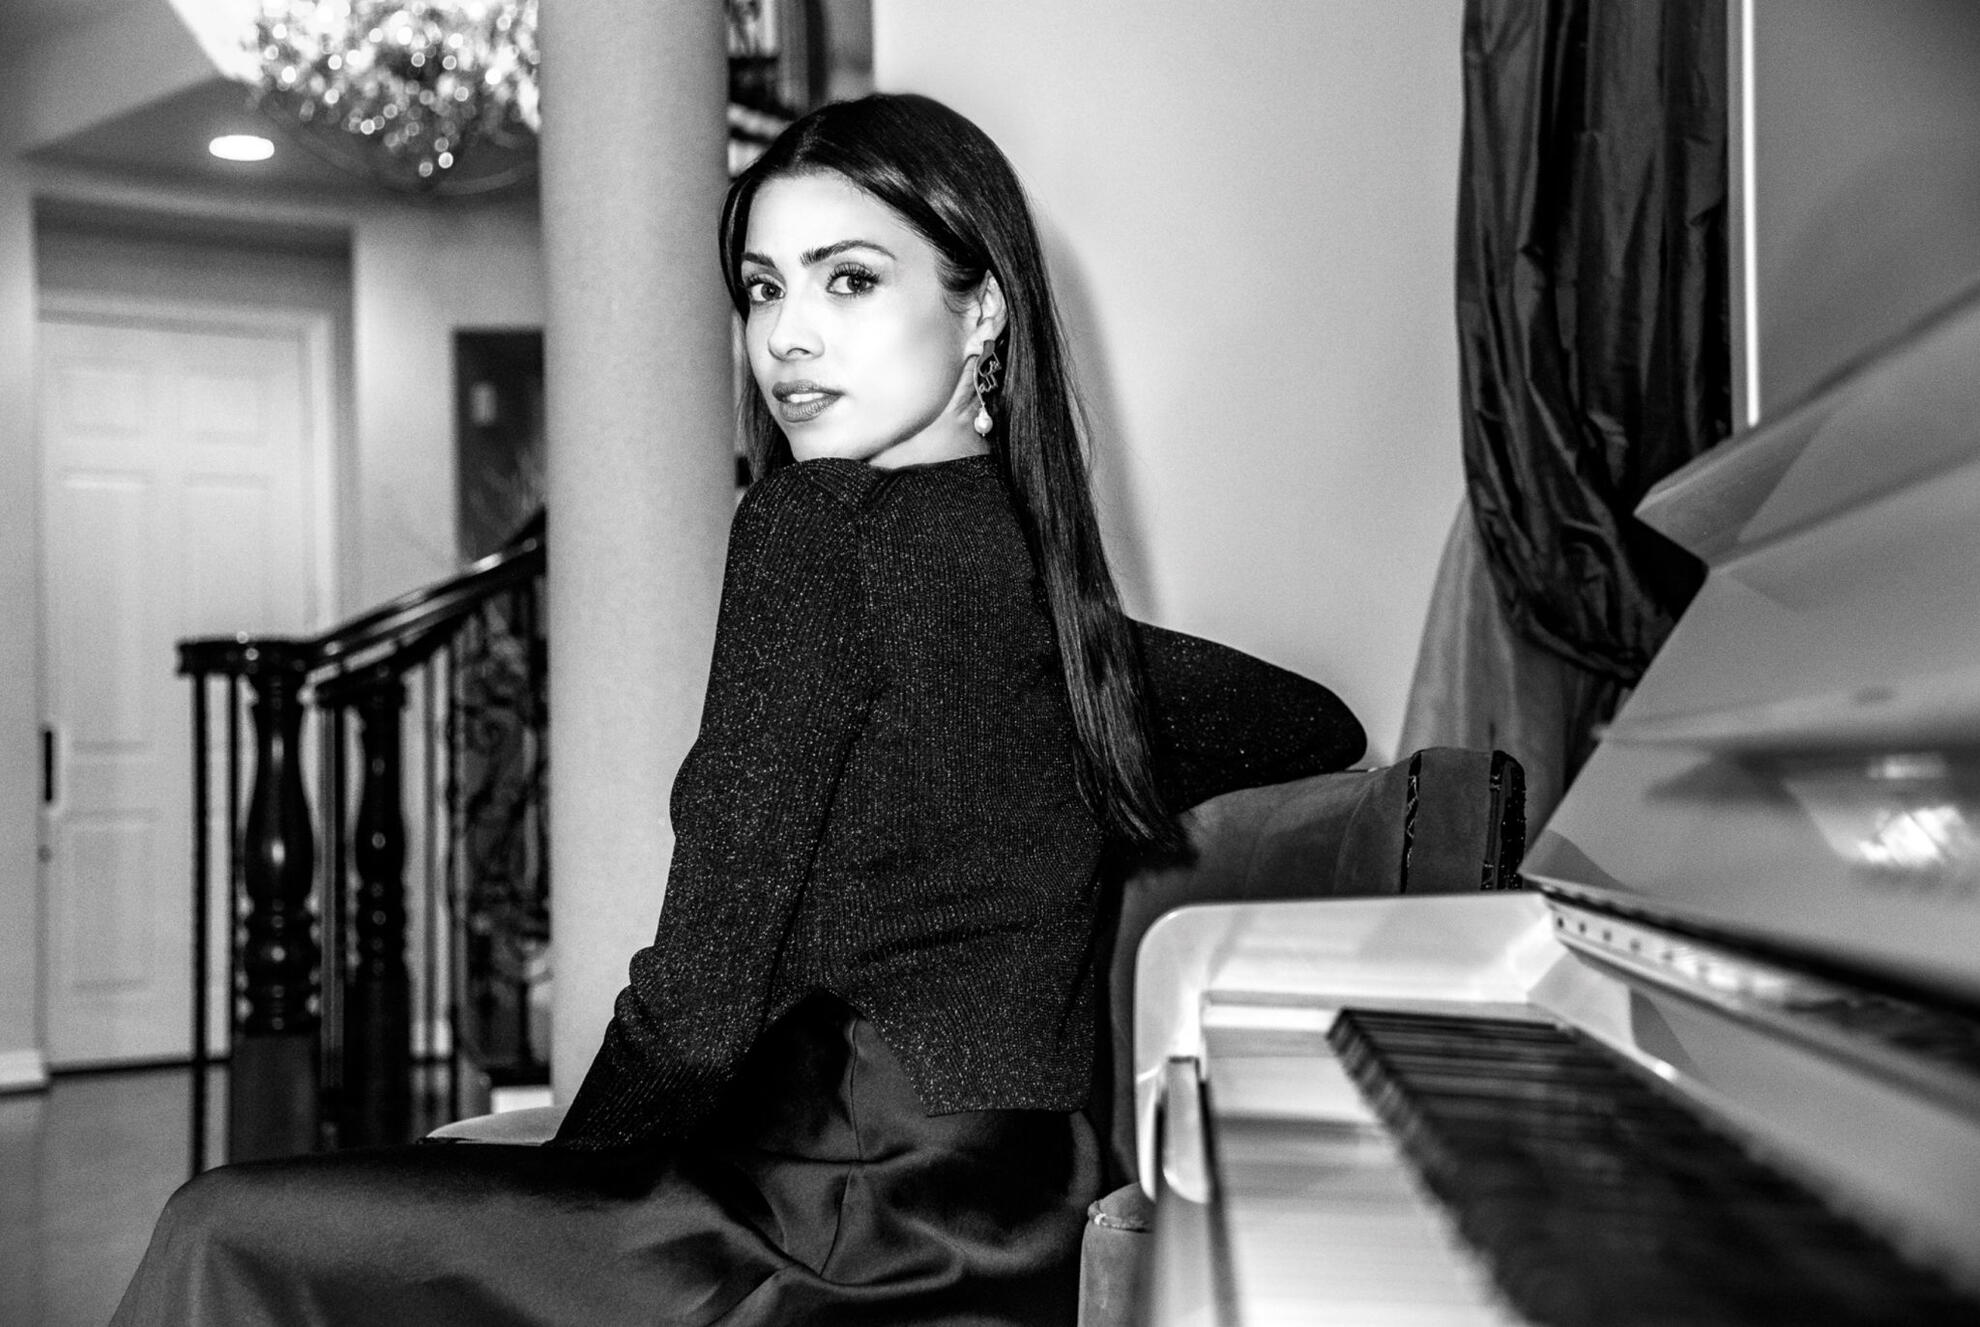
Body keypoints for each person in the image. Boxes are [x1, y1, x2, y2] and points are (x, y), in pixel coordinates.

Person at [113, 92, 1364, 1327]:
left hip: (836, 1223)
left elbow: (701, 996)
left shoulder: (811, 531)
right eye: (764, 289)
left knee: (219, 1224)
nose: (788, 338)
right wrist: (1070, 681)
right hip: (1023, 1213)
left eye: (850, 280)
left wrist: (554, 1190)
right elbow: (1314, 723)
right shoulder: (1044, 600)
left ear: (982, 306)